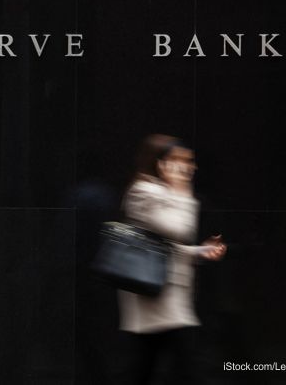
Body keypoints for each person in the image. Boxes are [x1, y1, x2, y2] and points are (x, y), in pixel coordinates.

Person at [118, 134, 226, 384]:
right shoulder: (144, 191)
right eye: (180, 160)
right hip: (155, 294)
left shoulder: (158, 191)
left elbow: (167, 245)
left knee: (145, 368)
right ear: (160, 162)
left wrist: (201, 251)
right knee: (187, 368)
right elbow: (178, 229)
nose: (189, 167)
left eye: (189, 161)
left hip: (166, 294)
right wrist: (182, 191)